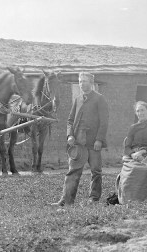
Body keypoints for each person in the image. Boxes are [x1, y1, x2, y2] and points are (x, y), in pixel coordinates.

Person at [51, 72, 109, 206]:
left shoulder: (100, 99)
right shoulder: (77, 99)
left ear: (92, 83)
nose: (82, 84)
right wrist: (70, 135)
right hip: (78, 143)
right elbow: (70, 120)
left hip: (93, 143)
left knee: (96, 171)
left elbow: (104, 121)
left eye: (85, 81)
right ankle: (66, 200)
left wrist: (99, 139)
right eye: (80, 81)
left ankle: (93, 199)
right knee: (73, 171)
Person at [117, 101, 147, 204]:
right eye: (138, 111)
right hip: (134, 155)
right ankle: (128, 198)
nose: (140, 113)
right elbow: (127, 147)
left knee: (145, 169)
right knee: (131, 170)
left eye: (142, 110)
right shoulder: (132, 128)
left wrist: (143, 151)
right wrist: (133, 154)